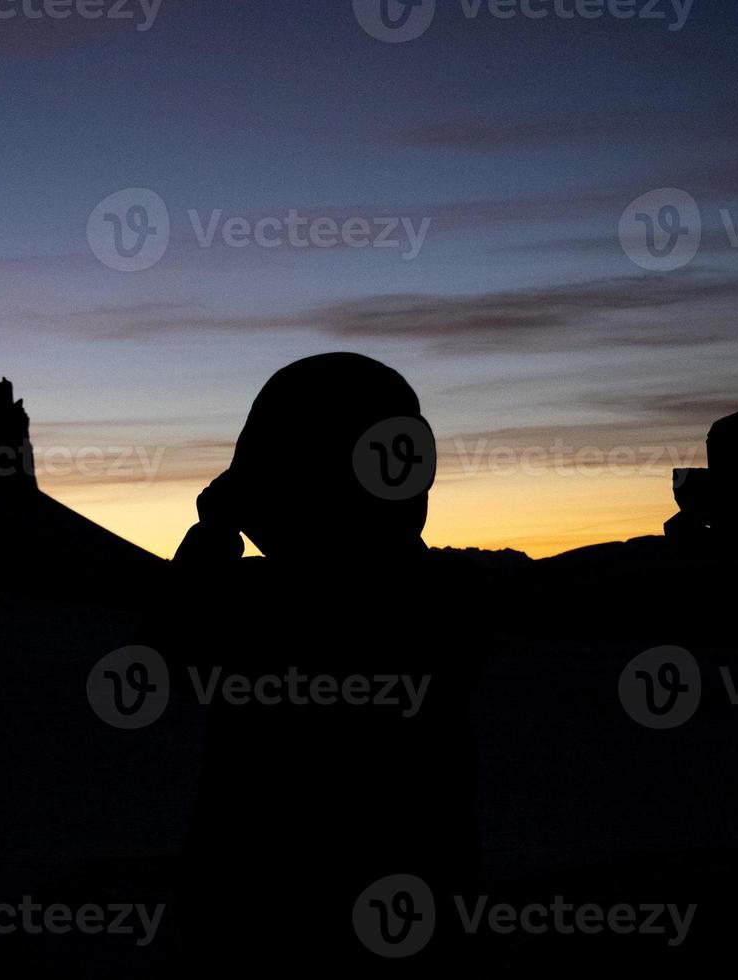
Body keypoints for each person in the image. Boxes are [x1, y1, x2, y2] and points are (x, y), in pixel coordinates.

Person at [148, 353, 486, 969]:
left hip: (257, 922)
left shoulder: (258, 607)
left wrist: (216, 529)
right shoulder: (444, 593)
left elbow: (170, 647)